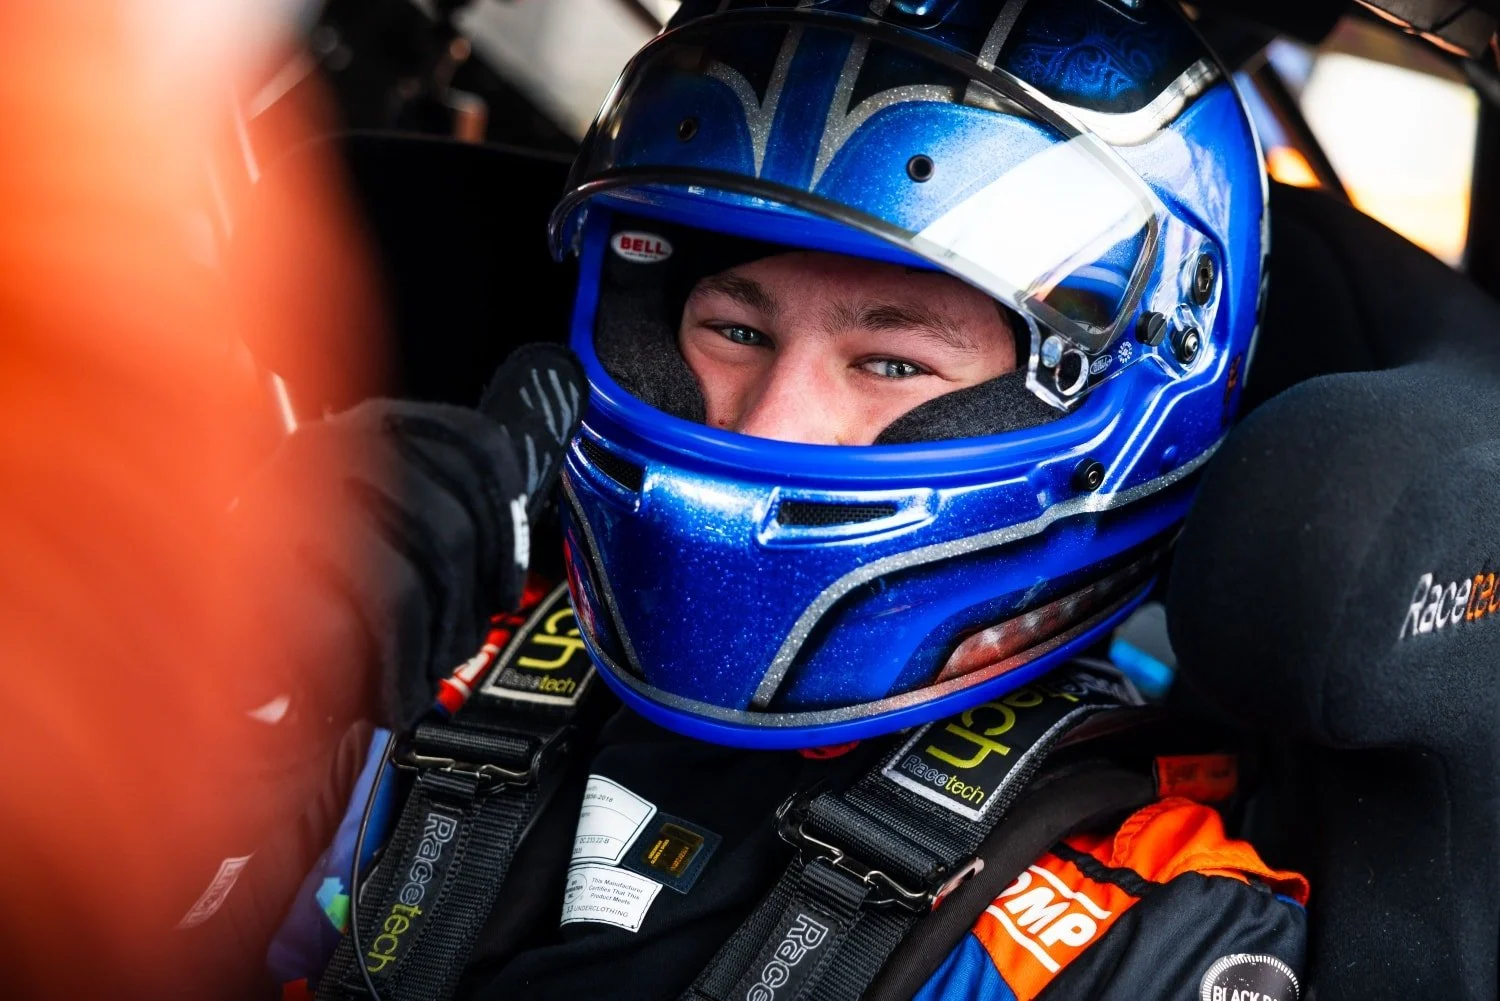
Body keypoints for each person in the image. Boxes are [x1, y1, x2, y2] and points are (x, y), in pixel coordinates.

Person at [263, 1, 1312, 999]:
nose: (768, 424)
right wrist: (239, 674)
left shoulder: (1137, 916)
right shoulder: (432, 651)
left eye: (892, 364)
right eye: (735, 331)